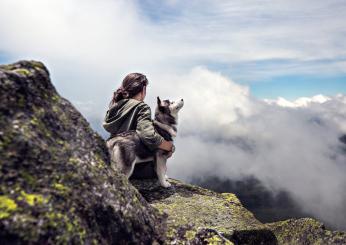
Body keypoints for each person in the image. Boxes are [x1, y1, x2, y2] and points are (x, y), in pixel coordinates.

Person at [103, 72, 174, 156]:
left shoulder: (115, 106)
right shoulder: (141, 107)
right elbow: (148, 135)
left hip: (112, 152)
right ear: (143, 89)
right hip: (131, 159)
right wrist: (168, 146)